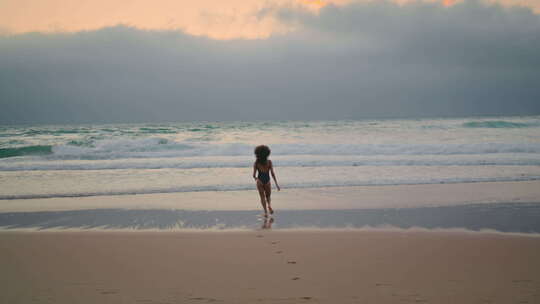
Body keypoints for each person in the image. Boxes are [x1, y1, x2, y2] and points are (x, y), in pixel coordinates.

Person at [253, 145, 280, 217]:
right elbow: (272, 174)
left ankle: (265, 212)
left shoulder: (256, 163)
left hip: (260, 181)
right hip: (267, 181)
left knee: (262, 197)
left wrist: (256, 178)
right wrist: (277, 184)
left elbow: (254, 175)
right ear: (267, 153)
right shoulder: (269, 162)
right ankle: (269, 206)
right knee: (268, 196)